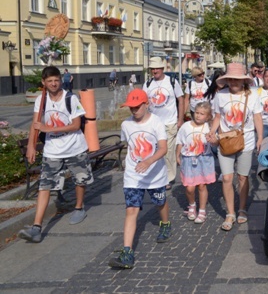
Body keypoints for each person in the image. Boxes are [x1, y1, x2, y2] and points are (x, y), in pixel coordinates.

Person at [19, 66, 93, 243]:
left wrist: (49, 128)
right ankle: (37, 227)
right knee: (44, 186)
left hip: (75, 147)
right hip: (53, 150)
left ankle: (79, 207)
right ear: (43, 83)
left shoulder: (70, 98)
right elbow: (36, 123)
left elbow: (76, 125)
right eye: (50, 81)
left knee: (80, 179)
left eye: (56, 80)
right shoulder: (41, 100)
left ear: (61, 80)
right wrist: (31, 145)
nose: (53, 83)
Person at [109, 89, 171, 269]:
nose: (134, 111)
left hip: (155, 175)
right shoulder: (126, 125)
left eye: (137, 107)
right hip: (133, 175)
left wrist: (149, 161)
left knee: (160, 202)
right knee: (131, 210)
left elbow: (163, 148)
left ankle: (165, 224)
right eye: (131, 108)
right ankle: (127, 252)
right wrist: (135, 162)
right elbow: (129, 145)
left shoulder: (156, 122)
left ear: (146, 104)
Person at [207, 63, 263, 231]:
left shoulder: (252, 95)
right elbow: (217, 117)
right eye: (230, 79)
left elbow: (257, 118)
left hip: (246, 141)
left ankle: (242, 208)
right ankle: (230, 213)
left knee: (243, 177)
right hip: (225, 141)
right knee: (226, 178)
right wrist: (211, 131)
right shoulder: (220, 95)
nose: (233, 82)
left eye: (236, 80)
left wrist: (260, 137)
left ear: (243, 81)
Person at [144, 57, 184, 190]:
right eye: (153, 69)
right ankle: (158, 175)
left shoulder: (172, 82)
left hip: (169, 123)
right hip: (153, 124)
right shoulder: (148, 84)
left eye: (157, 68)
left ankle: (168, 178)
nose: (155, 71)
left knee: (168, 152)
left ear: (162, 69)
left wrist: (180, 119)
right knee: (154, 151)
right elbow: (144, 102)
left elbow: (181, 99)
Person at [176, 101, 216, 224]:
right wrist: (177, 155)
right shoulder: (186, 126)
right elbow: (180, 141)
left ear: (208, 116)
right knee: (189, 187)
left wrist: (213, 140)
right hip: (188, 159)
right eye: (197, 113)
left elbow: (215, 143)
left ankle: (202, 209)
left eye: (202, 114)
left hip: (204, 159)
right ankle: (192, 205)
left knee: (202, 186)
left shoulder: (209, 127)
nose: (198, 116)